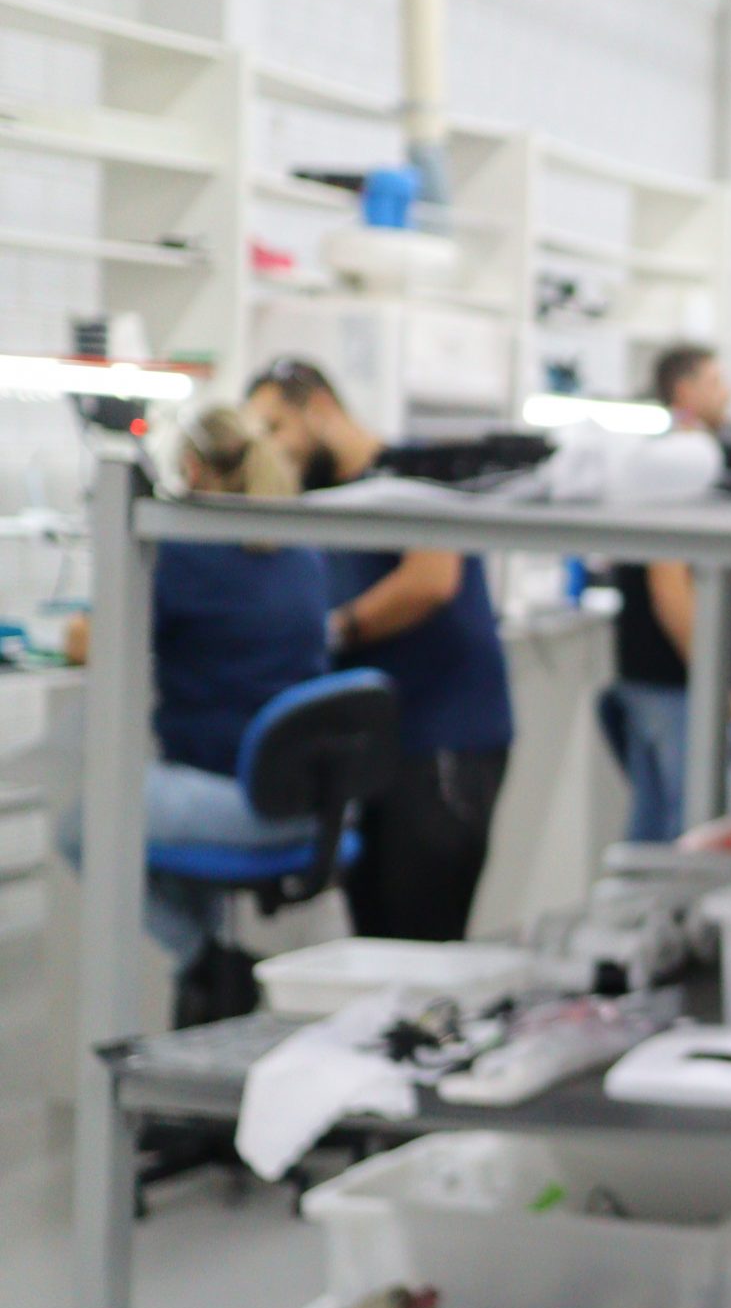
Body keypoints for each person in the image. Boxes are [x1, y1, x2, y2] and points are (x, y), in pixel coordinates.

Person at [59, 408, 329, 1009]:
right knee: (164, 815)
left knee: (81, 828)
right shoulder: (301, 552)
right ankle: (207, 984)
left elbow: (88, 640)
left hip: (239, 802)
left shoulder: (185, 555)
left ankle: (204, 963)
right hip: (312, 801)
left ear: (191, 468)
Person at [245, 357, 513, 940]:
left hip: (442, 741)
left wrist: (335, 630)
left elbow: (431, 580)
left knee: (421, 934)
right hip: (377, 750)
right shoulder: (324, 497)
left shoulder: (408, 475)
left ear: (320, 408)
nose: (272, 448)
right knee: (375, 936)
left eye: (275, 427)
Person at [602, 344, 731, 842]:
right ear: (684, 391)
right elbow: (670, 588)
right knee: (691, 833)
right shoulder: (680, 464)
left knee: (654, 829)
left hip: (655, 678)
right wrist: (715, 681)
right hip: (673, 683)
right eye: (715, 383)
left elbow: (701, 574)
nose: (728, 394)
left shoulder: (679, 461)